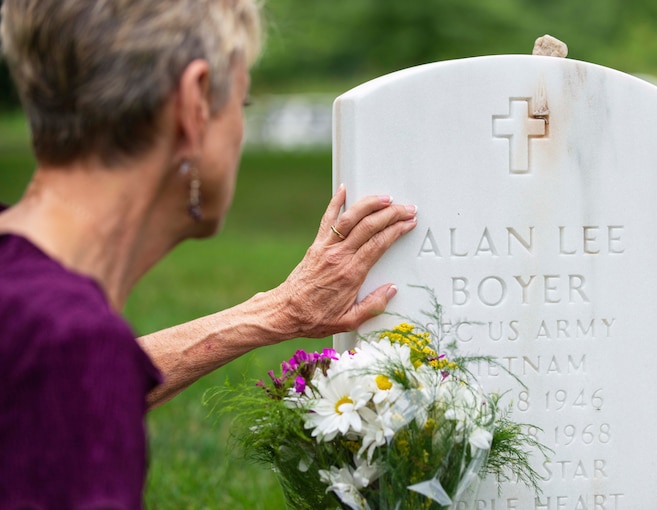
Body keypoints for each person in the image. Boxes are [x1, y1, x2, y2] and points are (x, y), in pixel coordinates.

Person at [0, 0, 417, 507]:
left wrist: (282, 311)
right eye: (240, 105)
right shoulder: (71, 343)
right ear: (195, 105)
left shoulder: (47, 329)